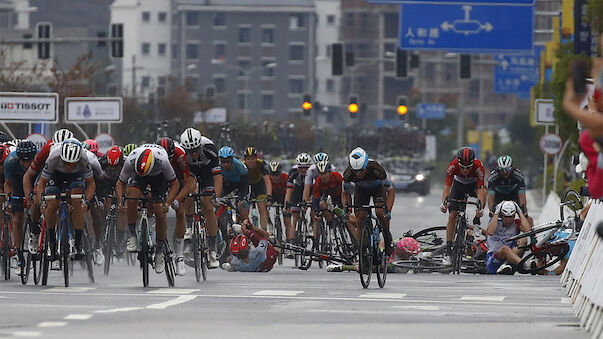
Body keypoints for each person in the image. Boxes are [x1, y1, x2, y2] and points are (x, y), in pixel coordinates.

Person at [116, 144, 180, 274]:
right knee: (131, 197)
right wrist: (121, 201)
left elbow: (175, 183)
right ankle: (133, 234)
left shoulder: (162, 161)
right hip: (138, 176)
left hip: (159, 178)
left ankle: (160, 252)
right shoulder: (131, 160)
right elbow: (120, 183)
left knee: (159, 212)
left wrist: (167, 203)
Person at [36, 139, 96, 262]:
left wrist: (86, 201)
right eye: (66, 163)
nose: (68, 166)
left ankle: (78, 244)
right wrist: (42, 201)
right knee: (52, 204)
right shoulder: (53, 156)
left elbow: (91, 184)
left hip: (76, 176)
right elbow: (42, 182)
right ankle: (52, 243)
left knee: (77, 199)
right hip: (55, 175)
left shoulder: (84, 158)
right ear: (61, 157)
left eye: (72, 163)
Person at [179, 127, 222, 269]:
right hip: (191, 174)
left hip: (207, 174)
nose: (194, 154)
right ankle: (189, 227)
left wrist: (216, 196)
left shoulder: (210, 149)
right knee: (189, 191)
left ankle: (213, 249)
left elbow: (217, 177)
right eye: (190, 152)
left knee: (208, 206)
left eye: (196, 150)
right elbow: (181, 179)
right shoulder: (182, 154)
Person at [342, 147, 395, 255]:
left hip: (378, 189)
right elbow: (345, 194)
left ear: (366, 165)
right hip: (361, 190)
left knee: (380, 213)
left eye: (361, 170)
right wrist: (347, 209)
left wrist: (388, 211)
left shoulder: (377, 169)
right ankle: (362, 247)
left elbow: (391, 192)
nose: (358, 174)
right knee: (360, 217)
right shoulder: (348, 174)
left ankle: (387, 236)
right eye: (355, 171)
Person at [155, 137, 196, 276]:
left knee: (179, 211)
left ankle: (179, 256)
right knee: (157, 207)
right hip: (159, 176)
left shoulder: (180, 155)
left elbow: (188, 183)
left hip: (177, 178)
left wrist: (177, 199)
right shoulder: (154, 154)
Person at [440, 146, 486, 265]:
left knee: (483, 196)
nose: (465, 170)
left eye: (468, 167)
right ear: (458, 163)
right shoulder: (452, 166)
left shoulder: (479, 166)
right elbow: (447, 187)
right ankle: (448, 252)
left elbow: (480, 190)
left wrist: (480, 208)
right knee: (452, 216)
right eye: (462, 167)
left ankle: (477, 220)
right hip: (458, 186)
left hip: (473, 185)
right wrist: (444, 202)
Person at [4, 140, 37, 275]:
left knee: (38, 204)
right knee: (17, 219)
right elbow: (8, 184)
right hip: (17, 184)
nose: (26, 164)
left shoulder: (40, 161)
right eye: (22, 161)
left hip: (34, 182)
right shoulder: (10, 162)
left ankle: (38, 231)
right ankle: (18, 253)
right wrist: (9, 200)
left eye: (29, 160)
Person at [97, 145, 127, 256]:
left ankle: (119, 239)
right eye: (111, 166)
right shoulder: (102, 162)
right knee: (104, 203)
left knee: (122, 208)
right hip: (106, 182)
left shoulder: (126, 162)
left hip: (122, 182)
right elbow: (96, 179)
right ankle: (103, 225)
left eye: (116, 166)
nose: (113, 168)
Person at [485, 200, 531, 274]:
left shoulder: (516, 223)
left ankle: (506, 265)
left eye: (511, 217)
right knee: (504, 249)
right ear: (501, 215)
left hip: (510, 258)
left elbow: (528, 231)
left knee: (523, 239)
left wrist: (519, 212)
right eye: (505, 217)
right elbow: (490, 232)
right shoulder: (495, 221)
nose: (508, 220)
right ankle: (526, 266)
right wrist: (497, 212)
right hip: (494, 258)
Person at [284, 152, 312, 243]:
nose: (303, 170)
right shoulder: (293, 171)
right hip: (298, 190)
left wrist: (308, 202)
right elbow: (289, 190)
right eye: (301, 168)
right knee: (295, 217)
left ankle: (309, 223)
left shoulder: (312, 171)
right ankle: (292, 243)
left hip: (311, 189)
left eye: (306, 168)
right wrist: (287, 204)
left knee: (312, 208)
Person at [242, 146, 271, 231]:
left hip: (259, 185)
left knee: (262, 207)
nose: (250, 161)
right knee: (244, 208)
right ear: (245, 159)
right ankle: (247, 230)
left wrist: (269, 195)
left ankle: (263, 230)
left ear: (256, 158)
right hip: (247, 185)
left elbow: (267, 181)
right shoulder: (242, 165)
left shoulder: (261, 164)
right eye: (248, 159)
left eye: (252, 158)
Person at [218, 146, 249, 220]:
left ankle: (246, 225)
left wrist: (242, 197)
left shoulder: (239, 166)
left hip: (241, 183)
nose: (225, 164)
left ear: (232, 159)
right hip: (228, 184)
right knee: (219, 200)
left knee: (242, 204)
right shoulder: (217, 166)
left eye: (228, 161)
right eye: (223, 162)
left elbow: (245, 184)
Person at [268, 160, 291, 238]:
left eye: (277, 174)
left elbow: (289, 192)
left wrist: (286, 206)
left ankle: (289, 240)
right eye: (272, 174)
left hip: (284, 197)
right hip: (273, 196)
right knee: (263, 205)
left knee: (287, 218)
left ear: (280, 173)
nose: (274, 177)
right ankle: (269, 222)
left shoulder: (285, 178)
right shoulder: (267, 179)